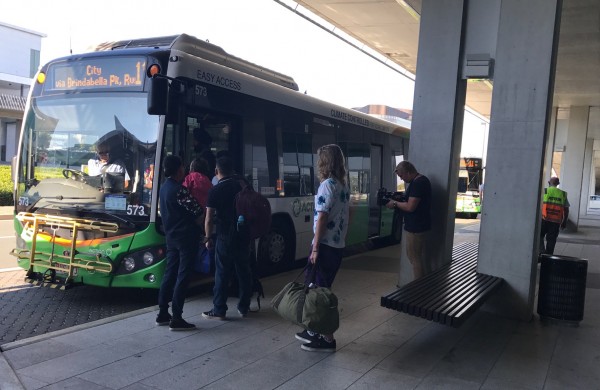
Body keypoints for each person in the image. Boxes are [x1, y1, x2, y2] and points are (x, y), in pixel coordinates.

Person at [295, 144, 350, 353]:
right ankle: (313, 330)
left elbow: (322, 218)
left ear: (324, 162)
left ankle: (327, 339)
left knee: (318, 292)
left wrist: (315, 247)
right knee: (319, 289)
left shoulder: (327, 185)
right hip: (336, 246)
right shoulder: (343, 185)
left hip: (324, 246)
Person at [156, 155, 205, 331]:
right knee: (183, 275)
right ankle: (177, 316)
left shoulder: (163, 188)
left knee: (169, 273)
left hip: (171, 237)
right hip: (185, 238)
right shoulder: (179, 190)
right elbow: (197, 209)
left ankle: (163, 312)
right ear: (178, 170)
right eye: (182, 167)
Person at [202, 156, 252, 320]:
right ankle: (244, 307)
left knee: (222, 272)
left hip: (225, 235)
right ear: (231, 170)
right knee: (244, 270)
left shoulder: (215, 191)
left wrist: (208, 238)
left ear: (216, 172)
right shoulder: (242, 185)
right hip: (243, 234)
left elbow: (209, 219)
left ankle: (219, 309)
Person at [386, 161, 431, 279]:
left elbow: (410, 207)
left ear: (408, 172)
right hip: (419, 225)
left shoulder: (418, 183)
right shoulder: (420, 181)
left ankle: (419, 288)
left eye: (401, 176)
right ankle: (421, 285)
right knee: (415, 257)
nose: (401, 179)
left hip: (416, 228)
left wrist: (395, 203)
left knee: (415, 258)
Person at [540, 176, 570, 255]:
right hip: (555, 222)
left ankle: (542, 252)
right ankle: (548, 258)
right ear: (558, 184)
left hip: (544, 219)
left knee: (539, 236)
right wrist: (564, 222)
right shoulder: (562, 194)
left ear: (549, 183)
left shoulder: (545, 191)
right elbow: (566, 209)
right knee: (551, 241)